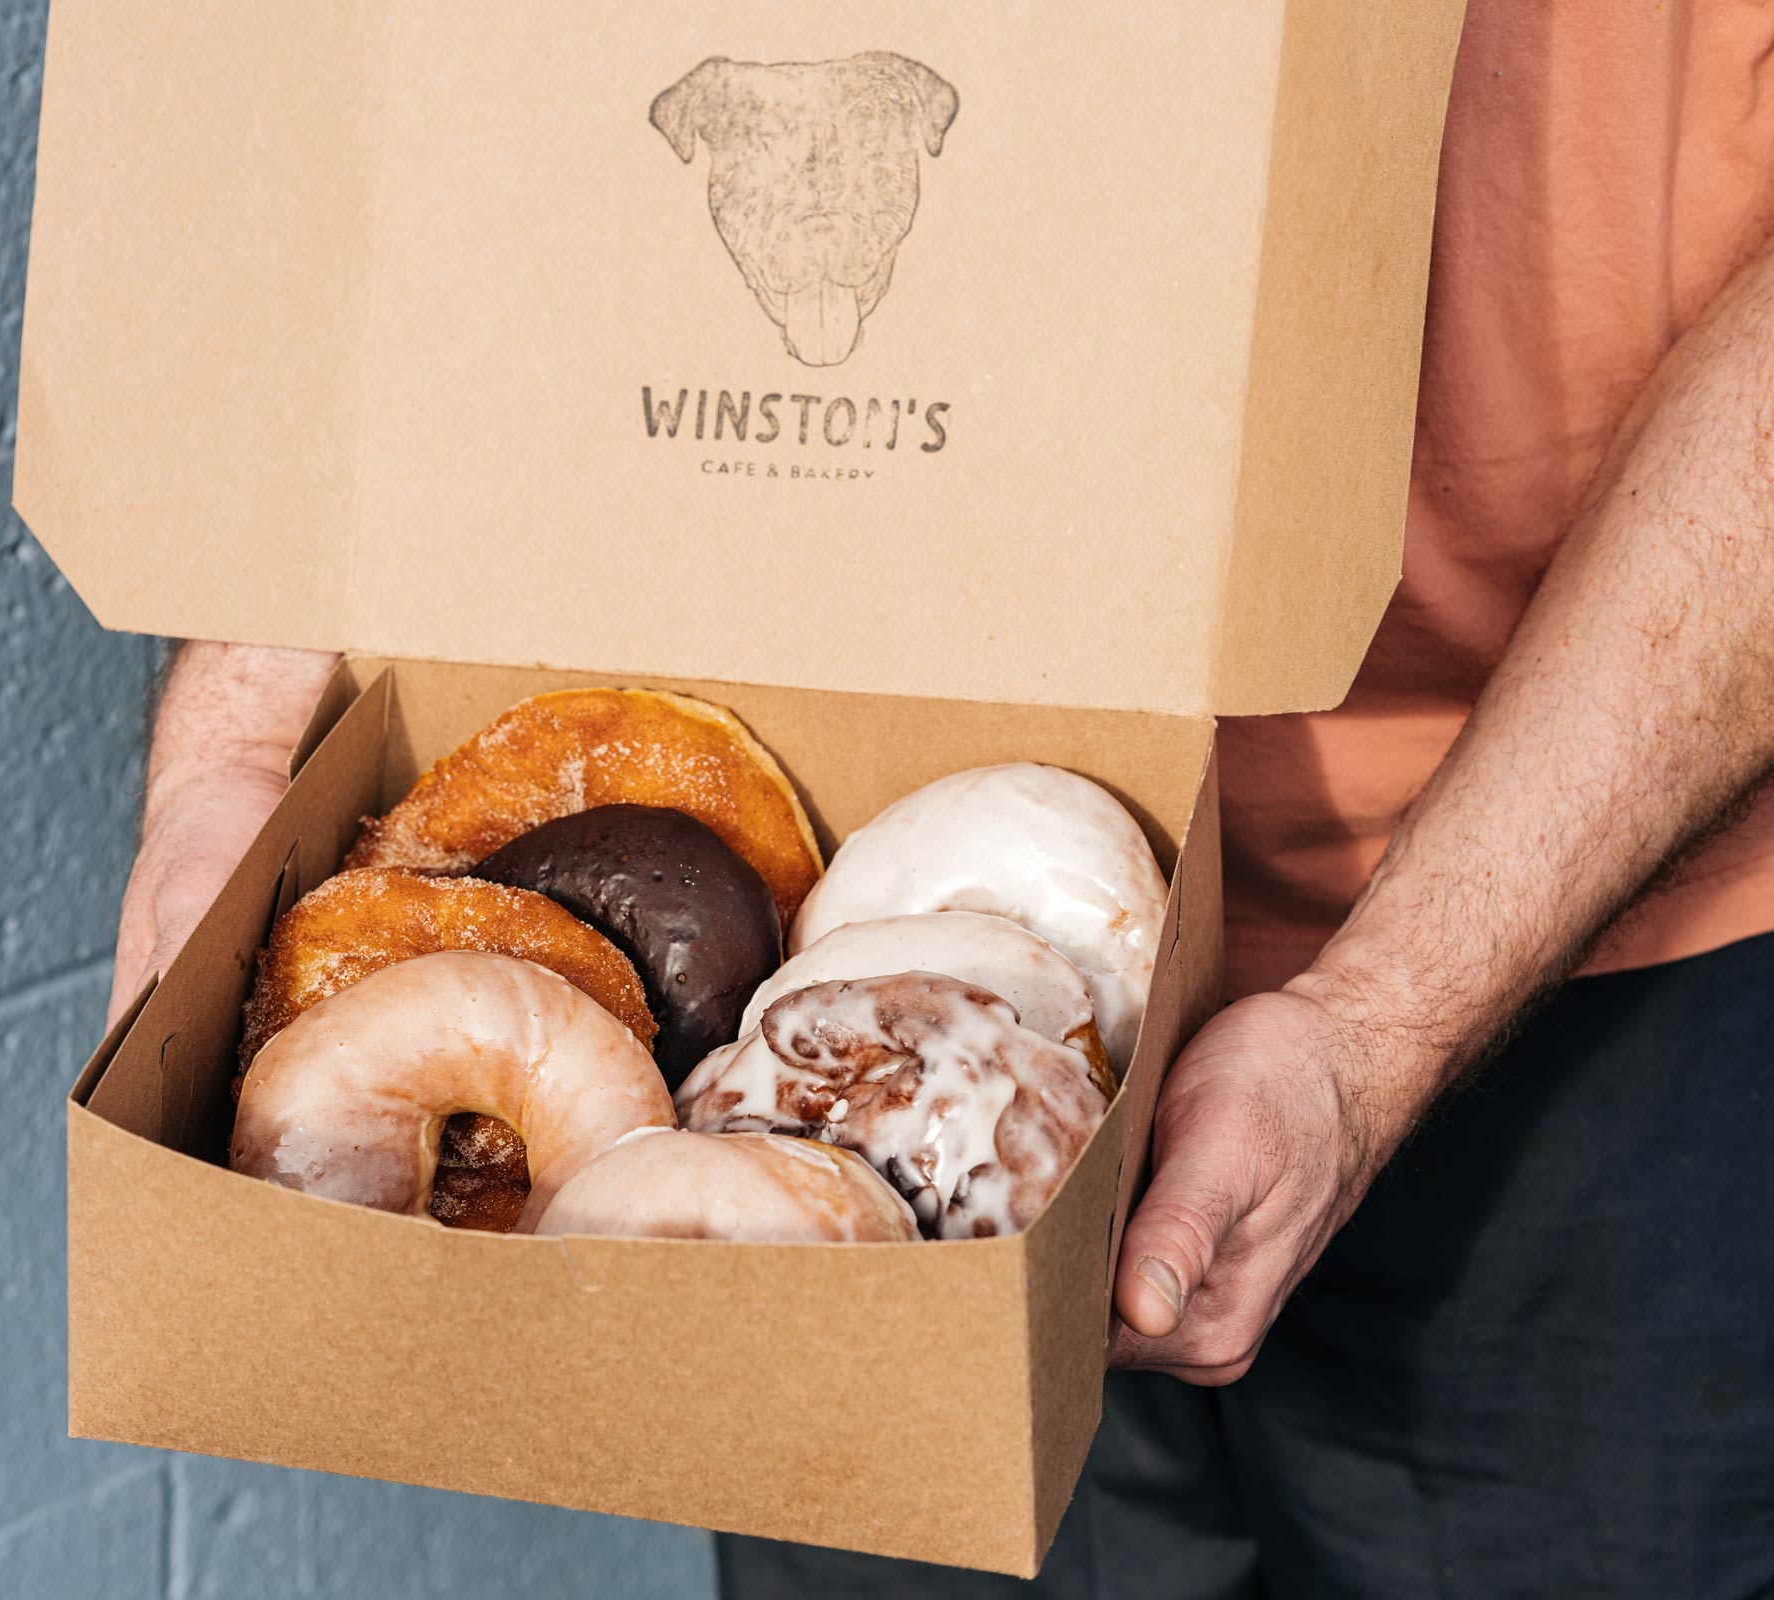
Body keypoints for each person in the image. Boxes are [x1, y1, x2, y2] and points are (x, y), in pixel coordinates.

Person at [106, 7, 1774, 1593]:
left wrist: (1389, 1019)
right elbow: (416, 61)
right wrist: (245, 737)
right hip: (808, 983)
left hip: (1589, 921)